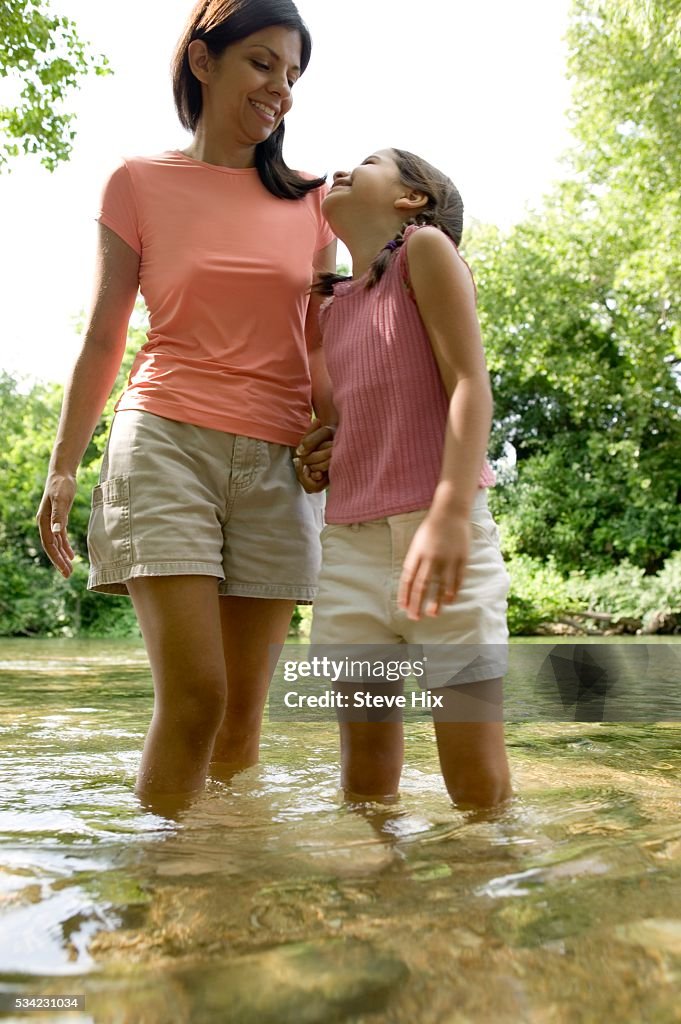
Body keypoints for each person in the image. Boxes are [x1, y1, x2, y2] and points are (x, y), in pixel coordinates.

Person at [36, 0, 336, 814]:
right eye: (263, 63)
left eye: (293, 73)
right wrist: (64, 467)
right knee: (196, 698)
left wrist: (333, 426)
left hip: (276, 458)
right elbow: (104, 336)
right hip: (165, 441)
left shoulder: (315, 201)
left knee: (242, 721)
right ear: (203, 62)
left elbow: (319, 342)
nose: (281, 88)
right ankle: (162, 900)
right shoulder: (136, 182)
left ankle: (224, 901)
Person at [301, 148, 512, 810]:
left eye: (366, 160)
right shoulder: (333, 308)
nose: (340, 166)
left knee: (470, 768)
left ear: (410, 199)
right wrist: (325, 450)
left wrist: (449, 514)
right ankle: (384, 903)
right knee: (363, 776)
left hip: (442, 535)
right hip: (351, 553)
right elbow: (357, 416)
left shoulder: (424, 251)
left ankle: (487, 893)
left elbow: (469, 384)